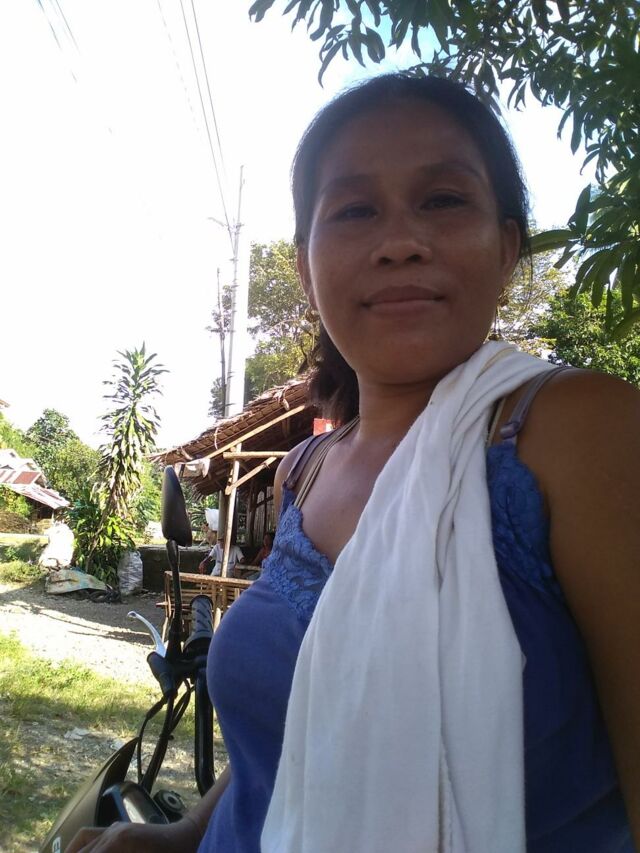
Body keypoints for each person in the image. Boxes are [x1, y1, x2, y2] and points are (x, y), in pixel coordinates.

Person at [68, 73, 639, 852]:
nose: (400, 240)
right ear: (306, 268)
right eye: (355, 209)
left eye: (443, 199)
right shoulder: (302, 470)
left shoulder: (583, 433)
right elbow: (300, 719)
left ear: (507, 247)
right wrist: (185, 834)